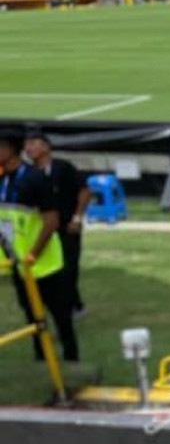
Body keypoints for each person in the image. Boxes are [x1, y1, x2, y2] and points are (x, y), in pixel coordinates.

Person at [0, 127, 78, 362]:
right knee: (33, 317)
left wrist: (33, 253)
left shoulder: (34, 178)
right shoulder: (3, 178)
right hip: (20, 263)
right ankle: (41, 360)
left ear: (10, 149)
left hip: (45, 264)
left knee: (60, 316)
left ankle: (72, 361)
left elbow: (51, 221)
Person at [24, 128, 90, 317]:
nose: (29, 149)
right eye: (27, 145)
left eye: (34, 143)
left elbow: (84, 191)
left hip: (67, 227)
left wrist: (77, 218)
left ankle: (72, 307)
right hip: (42, 230)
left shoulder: (62, 167)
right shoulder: (27, 174)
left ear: (46, 147)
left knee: (68, 268)